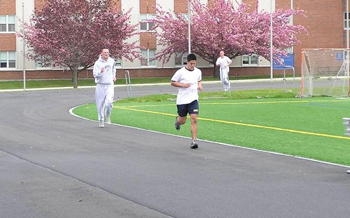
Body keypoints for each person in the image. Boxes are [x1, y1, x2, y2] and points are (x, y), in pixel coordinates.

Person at [171, 54, 203, 149]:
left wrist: (200, 85)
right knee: (182, 120)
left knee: (194, 118)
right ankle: (177, 121)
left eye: (194, 63)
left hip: (193, 99)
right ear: (187, 62)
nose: (193, 65)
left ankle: (194, 141)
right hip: (182, 100)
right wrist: (183, 85)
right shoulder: (180, 72)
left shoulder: (198, 71)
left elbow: (199, 80)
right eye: (191, 63)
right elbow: (172, 82)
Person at [93, 48, 117, 128]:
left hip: (109, 84)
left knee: (109, 102)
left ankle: (107, 115)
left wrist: (114, 76)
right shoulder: (97, 63)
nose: (106, 54)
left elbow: (114, 69)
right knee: (100, 104)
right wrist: (101, 71)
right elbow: (95, 75)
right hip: (100, 85)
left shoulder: (112, 61)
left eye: (107, 52)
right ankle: (101, 120)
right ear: (101, 54)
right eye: (105, 53)